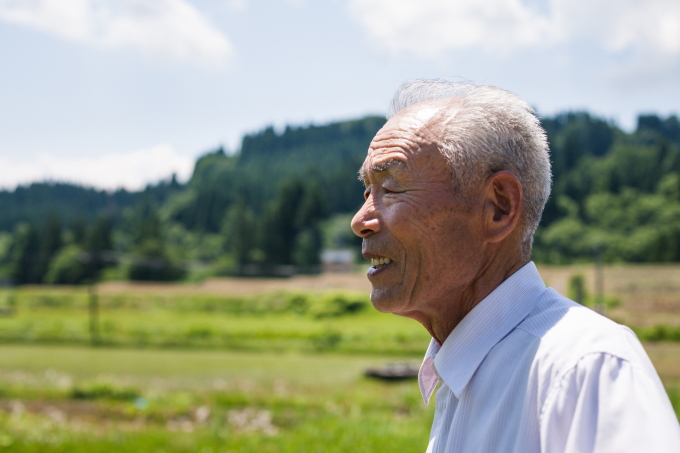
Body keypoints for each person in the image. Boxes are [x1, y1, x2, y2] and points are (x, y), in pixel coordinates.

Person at [350, 79, 680, 453]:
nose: (360, 220)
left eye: (391, 189)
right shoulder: (464, 372)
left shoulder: (585, 368)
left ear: (499, 208)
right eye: (367, 191)